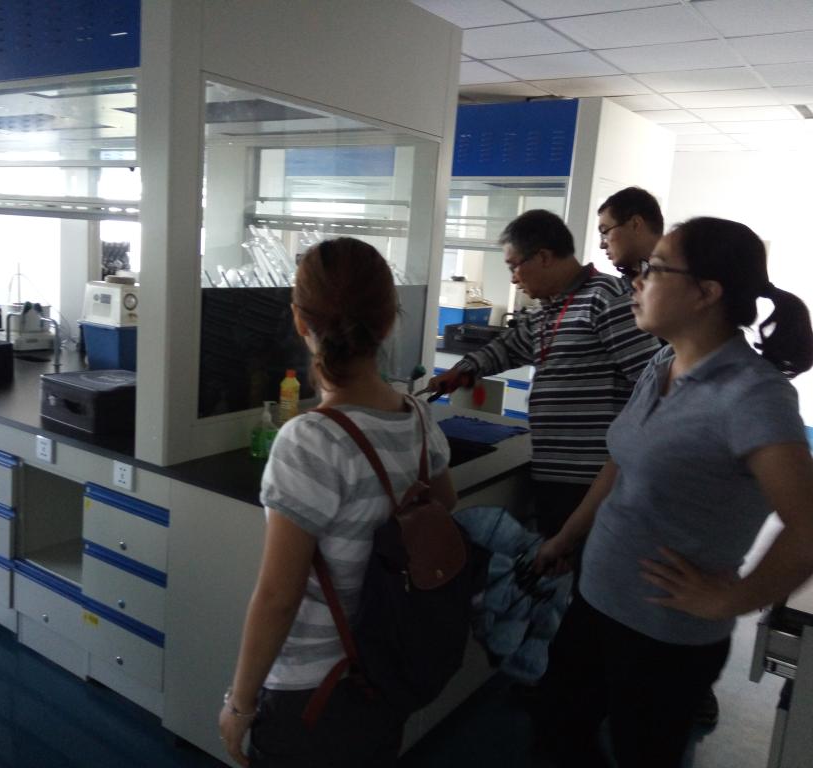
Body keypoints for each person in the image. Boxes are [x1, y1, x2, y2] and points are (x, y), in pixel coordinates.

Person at [535, 216, 813, 768]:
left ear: (706, 292)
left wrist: (731, 600)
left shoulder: (752, 395)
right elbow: (621, 465)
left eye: (654, 269)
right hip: (596, 601)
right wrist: (567, 537)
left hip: (662, 636)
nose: (637, 281)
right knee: (557, 734)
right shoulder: (663, 362)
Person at [219, 237, 455, 767]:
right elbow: (444, 510)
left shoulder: (310, 441)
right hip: (385, 671)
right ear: (389, 322)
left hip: (313, 693)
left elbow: (278, 597)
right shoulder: (417, 417)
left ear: (300, 321)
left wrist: (240, 703)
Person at [429, 209, 659, 540]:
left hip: (593, 479)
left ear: (543, 257)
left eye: (514, 266)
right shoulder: (548, 309)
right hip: (555, 471)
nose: (513, 278)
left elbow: (650, 382)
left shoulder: (606, 299)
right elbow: (508, 348)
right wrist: (463, 370)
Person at [597, 186, 664, 286]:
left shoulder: (680, 279)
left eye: (605, 232)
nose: (602, 245)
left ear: (635, 224)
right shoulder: (622, 287)